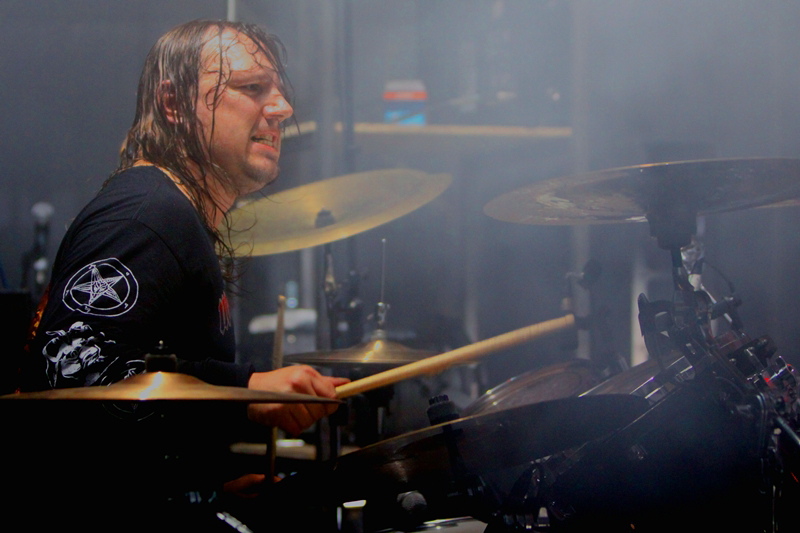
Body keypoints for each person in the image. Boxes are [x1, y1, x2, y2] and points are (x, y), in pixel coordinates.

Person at [16, 19, 349, 512]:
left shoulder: (172, 215)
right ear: (174, 104)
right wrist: (246, 390)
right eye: (253, 88)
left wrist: (201, 492)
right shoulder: (147, 214)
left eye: (278, 90)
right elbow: (72, 380)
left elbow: (132, 438)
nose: (282, 108)